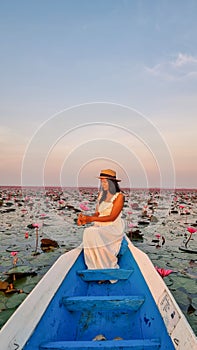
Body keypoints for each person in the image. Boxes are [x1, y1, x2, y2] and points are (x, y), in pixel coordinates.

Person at [77, 169, 125, 271]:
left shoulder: (119, 196)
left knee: (92, 232)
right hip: (100, 224)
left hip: (112, 226)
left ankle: (106, 265)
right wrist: (86, 220)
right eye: (101, 181)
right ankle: (94, 266)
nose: (102, 184)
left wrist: (91, 219)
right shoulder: (101, 195)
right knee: (88, 231)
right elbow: (97, 213)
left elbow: (112, 217)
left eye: (104, 181)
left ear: (112, 182)